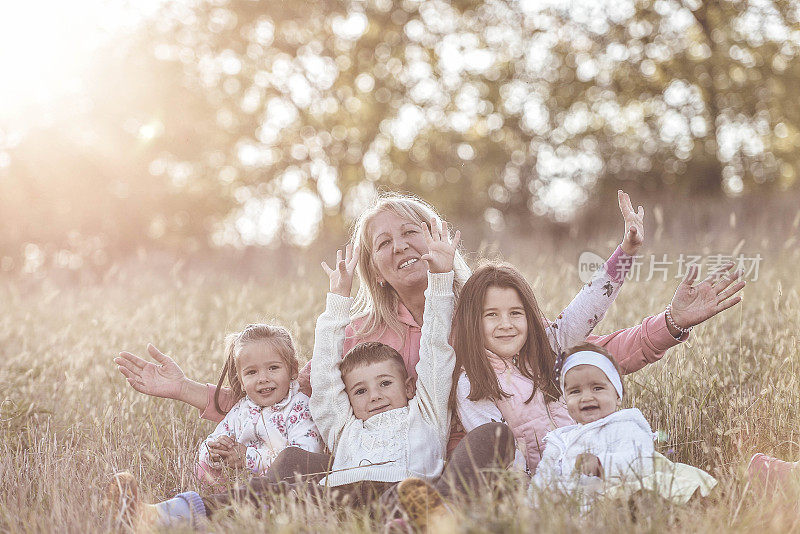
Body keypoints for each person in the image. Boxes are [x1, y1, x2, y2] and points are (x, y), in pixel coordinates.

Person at [104, 220, 513, 528]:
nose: (373, 395)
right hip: (343, 495)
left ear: (409, 384)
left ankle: (435, 512)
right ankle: (164, 515)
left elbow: (438, 352)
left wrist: (441, 280)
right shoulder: (349, 399)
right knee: (294, 461)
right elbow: (295, 391)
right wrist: (338, 300)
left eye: (385, 383)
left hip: (412, 491)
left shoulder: (431, 401)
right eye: (361, 390)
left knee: (493, 435)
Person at [452, 258, 746, 474]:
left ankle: (753, 475)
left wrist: (625, 254)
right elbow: (501, 457)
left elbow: (587, 308)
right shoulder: (474, 382)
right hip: (552, 486)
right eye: (491, 315)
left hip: (602, 463)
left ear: (529, 316)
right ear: (471, 321)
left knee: (680, 477)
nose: (506, 324)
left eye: (515, 313)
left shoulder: (547, 350)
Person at [529, 343, 716, 506]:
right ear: (565, 399)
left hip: (619, 489)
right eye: (575, 391)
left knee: (635, 496)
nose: (586, 397)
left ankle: (648, 509)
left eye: (597, 388)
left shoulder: (625, 425)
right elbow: (543, 478)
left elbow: (641, 461)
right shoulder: (559, 439)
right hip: (578, 502)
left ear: (617, 396)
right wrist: (534, 507)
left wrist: (602, 464)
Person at [194, 324, 323, 487]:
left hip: (280, 488)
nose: (263, 378)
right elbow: (212, 439)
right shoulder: (242, 409)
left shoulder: (299, 408)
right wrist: (216, 450)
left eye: (273, 368)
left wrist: (249, 457)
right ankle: (223, 504)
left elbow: (305, 457)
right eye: (251, 372)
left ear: (293, 370)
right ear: (241, 381)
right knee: (204, 465)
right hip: (242, 486)